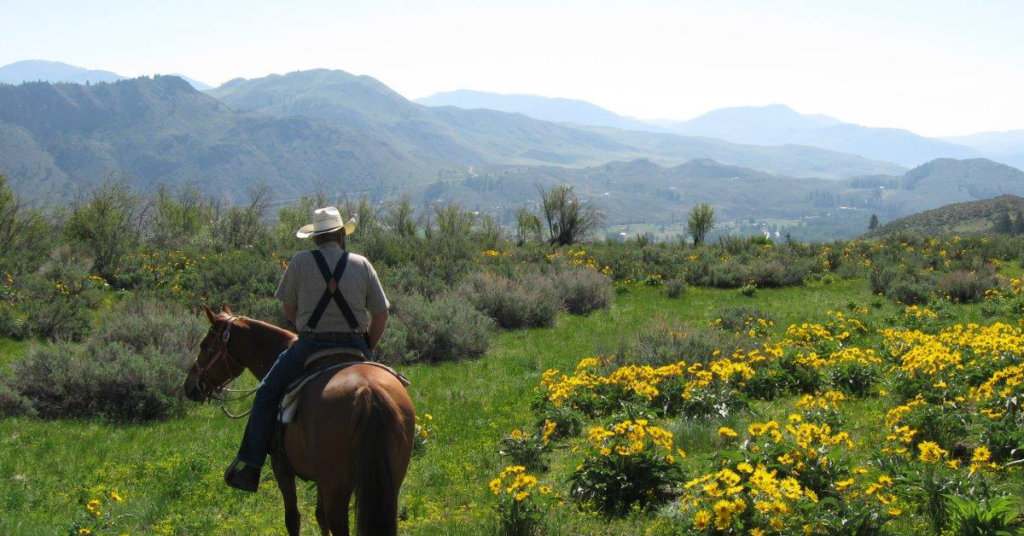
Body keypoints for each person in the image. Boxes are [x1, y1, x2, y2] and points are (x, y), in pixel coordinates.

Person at [224, 206, 390, 492]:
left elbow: (289, 309)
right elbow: (381, 314)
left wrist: (308, 321)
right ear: (341, 235)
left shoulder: (300, 263)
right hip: (355, 346)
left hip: (311, 344)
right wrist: (367, 346)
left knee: (266, 393)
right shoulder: (362, 263)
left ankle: (250, 466)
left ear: (315, 239)